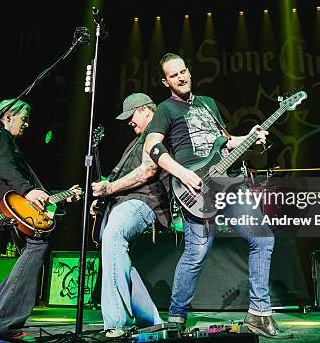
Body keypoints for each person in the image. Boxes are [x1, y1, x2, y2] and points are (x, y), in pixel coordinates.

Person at [143, 53, 287, 338]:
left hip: (228, 183)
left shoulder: (208, 104)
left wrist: (249, 136)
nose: (181, 77)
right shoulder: (165, 109)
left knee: (263, 238)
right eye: (174, 75)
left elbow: (224, 141)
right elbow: (152, 146)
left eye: (183, 71)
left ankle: (259, 313)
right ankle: (176, 315)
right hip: (193, 187)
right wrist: (182, 173)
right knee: (197, 253)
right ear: (165, 81)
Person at [0, 99, 80, 342]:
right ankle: (1, 324)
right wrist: (26, 190)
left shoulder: (1, 139)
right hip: (11, 208)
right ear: (8, 116)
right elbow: (3, 168)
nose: (27, 124)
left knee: (26, 258)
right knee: (36, 248)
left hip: (16, 207)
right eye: (24, 119)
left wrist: (61, 195)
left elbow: (33, 191)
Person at [91, 93, 170, 338]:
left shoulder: (155, 133)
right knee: (117, 256)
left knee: (114, 235)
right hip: (126, 201)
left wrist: (110, 188)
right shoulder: (135, 141)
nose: (129, 122)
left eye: (132, 115)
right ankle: (151, 320)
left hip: (144, 200)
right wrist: (103, 195)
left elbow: (148, 170)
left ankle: (118, 323)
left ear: (147, 110)